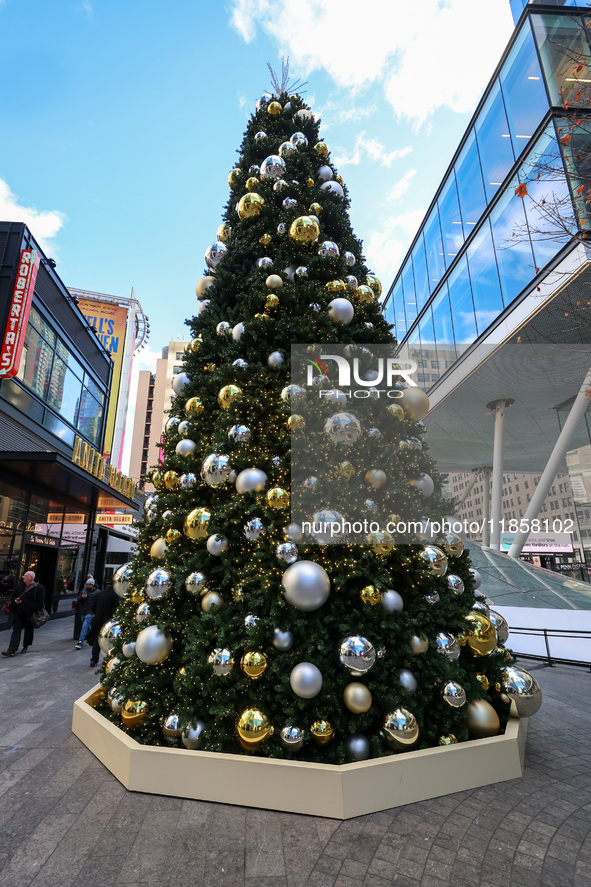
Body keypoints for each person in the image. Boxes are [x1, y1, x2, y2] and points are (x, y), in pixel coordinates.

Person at [1, 571, 45, 656]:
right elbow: (13, 596)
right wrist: (15, 600)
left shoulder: (39, 588)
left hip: (30, 614)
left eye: (25, 576)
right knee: (16, 630)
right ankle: (12, 650)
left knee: (28, 630)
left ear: (31, 578)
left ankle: (26, 646)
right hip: (19, 612)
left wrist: (32, 609)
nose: (23, 577)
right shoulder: (21, 586)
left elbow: (40, 602)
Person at [86, 581, 120, 667]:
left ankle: (94, 659)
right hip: (109, 621)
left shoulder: (99, 594)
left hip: (98, 620)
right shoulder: (114, 594)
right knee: (110, 640)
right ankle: (109, 659)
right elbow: (116, 608)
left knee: (97, 641)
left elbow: (93, 608)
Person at [74, 577, 99, 650]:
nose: (88, 586)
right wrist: (82, 597)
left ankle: (80, 641)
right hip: (83, 611)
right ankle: (92, 637)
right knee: (87, 626)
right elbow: (78, 600)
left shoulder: (97, 592)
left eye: (89, 584)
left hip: (90, 612)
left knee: (84, 626)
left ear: (93, 585)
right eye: (87, 584)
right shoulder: (83, 591)